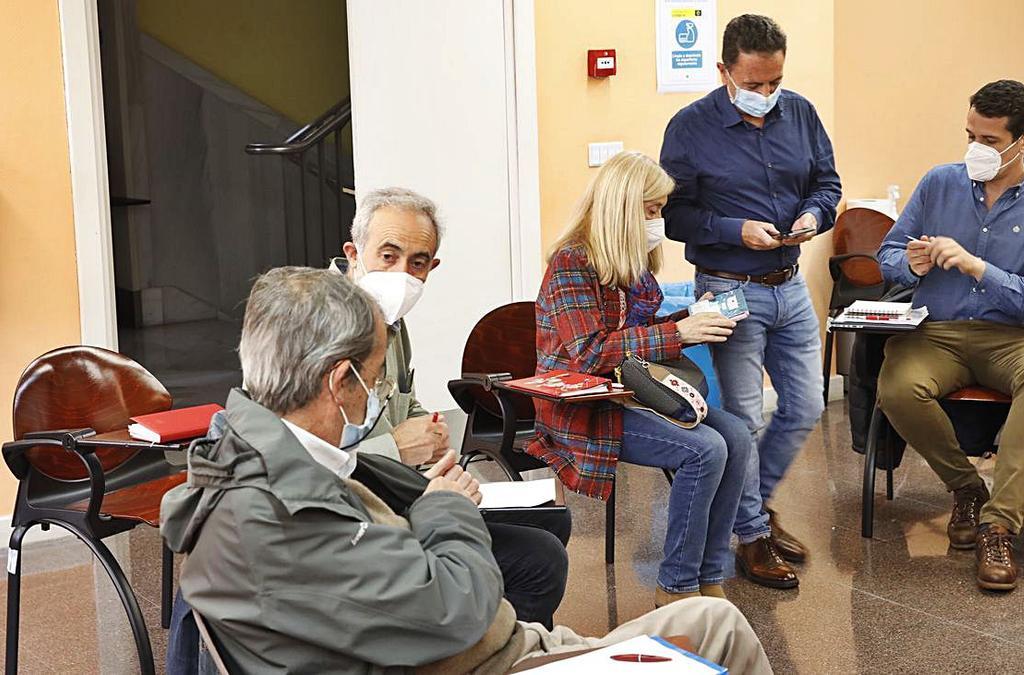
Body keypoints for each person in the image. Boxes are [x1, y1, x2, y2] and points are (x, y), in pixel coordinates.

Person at [160, 267, 773, 674]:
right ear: (339, 381)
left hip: (480, 649)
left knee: (709, 618)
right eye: (373, 379)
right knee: (717, 627)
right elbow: (459, 607)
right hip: (489, 661)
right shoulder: (281, 508)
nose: (376, 395)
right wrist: (441, 504)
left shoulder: (242, 465)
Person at [659, 14, 842, 589]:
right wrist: (735, 229)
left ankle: (751, 509)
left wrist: (816, 214)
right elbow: (675, 215)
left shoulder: (802, 113)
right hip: (727, 288)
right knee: (743, 418)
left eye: (774, 82)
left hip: (788, 284)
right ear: (724, 71)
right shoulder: (688, 128)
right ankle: (752, 537)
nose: (766, 94)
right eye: (754, 83)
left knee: (806, 407)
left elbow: (827, 184)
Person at [332, 186, 570, 627]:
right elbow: (302, 458)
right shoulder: (320, 325)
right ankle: (487, 649)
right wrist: (396, 451)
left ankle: (497, 641)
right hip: (356, 518)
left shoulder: (390, 321)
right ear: (353, 252)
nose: (402, 272)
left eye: (418, 262)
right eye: (387, 255)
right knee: (540, 557)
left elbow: (404, 400)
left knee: (551, 521)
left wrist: (434, 438)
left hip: (397, 488)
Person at [525, 151, 753, 608]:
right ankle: (677, 587)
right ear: (623, 208)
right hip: (583, 407)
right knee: (705, 450)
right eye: (651, 210)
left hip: (630, 393)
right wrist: (677, 332)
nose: (658, 220)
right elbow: (589, 354)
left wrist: (694, 316)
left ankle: (709, 576)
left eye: (660, 210)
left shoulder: (632, 267)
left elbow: (637, 337)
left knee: (738, 436)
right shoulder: (572, 264)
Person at [875, 80, 1024, 592]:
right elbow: (888, 256)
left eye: (988, 141)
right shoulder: (938, 183)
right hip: (937, 332)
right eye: (969, 135)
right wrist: (911, 263)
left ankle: (998, 525)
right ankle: (965, 488)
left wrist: (978, 268)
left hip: (1013, 336)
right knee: (897, 387)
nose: (974, 150)